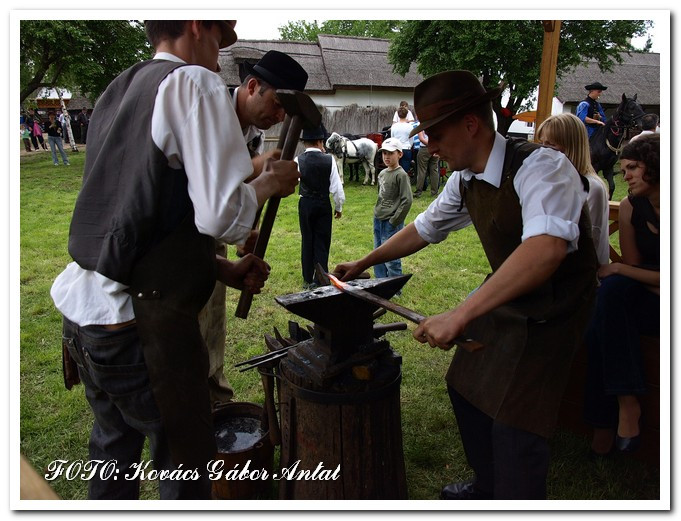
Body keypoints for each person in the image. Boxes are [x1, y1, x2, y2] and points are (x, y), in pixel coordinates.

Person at [50, 20, 300, 500]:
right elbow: (222, 217)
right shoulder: (194, 81)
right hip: (138, 328)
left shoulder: (121, 86)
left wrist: (222, 268)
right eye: (220, 37)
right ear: (195, 24)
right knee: (185, 471)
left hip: (85, 320)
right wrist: (268, 182)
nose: (219, 55)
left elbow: (144, 211)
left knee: (112, 457)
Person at [335, 71, 598, 500]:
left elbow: (547, 249)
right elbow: (424, 227)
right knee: (465, 384)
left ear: (471, 124)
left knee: (517, 420)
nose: (429, 145)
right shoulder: (465, 177)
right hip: (509, 294)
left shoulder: (543, 167)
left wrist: (460, 314)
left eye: (435, 134)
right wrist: (364, 262)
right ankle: (487, 485)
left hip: (558, 307)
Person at [201, 49, 309, 409]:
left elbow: (249, 192)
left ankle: (215, 397)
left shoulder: (254, 134)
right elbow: (211, 182)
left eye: (286, 113)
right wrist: (261, 167)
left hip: (214, 245)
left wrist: (251, 229)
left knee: (212, 329)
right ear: (251, 86)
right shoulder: (211, 114)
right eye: (277, 105)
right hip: (184, 242)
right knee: (193, 330)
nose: (278, 116)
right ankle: (205, 404)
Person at [584, 134, 660, 457]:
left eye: (633, 168)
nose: (625, 175)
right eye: (623, 168)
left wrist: (618, 270)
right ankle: (626, 404)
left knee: (611, 298)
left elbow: (625, 270)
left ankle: (603, 424)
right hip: (648, 293)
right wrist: (630, 274)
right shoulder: (630, 207)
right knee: (604, 310)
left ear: (656, 168)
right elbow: (632, 264)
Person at [536, 113, 609, 265]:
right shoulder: (550, 183)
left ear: (572, 147)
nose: (542, 151)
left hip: (581, 278)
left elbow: (586, 245)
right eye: (541, 144)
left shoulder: (591, 187)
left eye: (550, 145)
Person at [294, 123, 345, 289]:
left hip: (306, 203)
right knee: (322, 241)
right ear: (319, 141)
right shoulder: (329, 160)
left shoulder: (298, 160)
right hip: (323, 203)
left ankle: (307, 276)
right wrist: (338, 207)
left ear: (305, 143)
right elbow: (337, 188)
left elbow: (296, 180)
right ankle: (320, 278)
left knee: (307, 239)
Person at [371, 137, 412, 279]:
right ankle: (380, 281)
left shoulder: (401, 175)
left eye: (390, 153)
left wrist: (394, 220)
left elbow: (407, 200)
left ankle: (394, 286)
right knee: (377, 252)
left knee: (391, 255)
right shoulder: (382, 173)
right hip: (378, 219)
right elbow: (380, 195)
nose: (386, 157)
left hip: (391, 221)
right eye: (384, 153)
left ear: (400, 154)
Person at [414, 128, 439, 198]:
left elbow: (421, 138)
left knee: (421, 171)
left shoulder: (422, 125)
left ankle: (418, 192)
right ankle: (435, 192)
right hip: (435, 148)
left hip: (424, 149)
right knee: (434, 170)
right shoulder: (435, 124)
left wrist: (430, 145)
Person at [391, 107, 414, 174]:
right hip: (406, 148)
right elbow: (411, 139)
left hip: (396, 149)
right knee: (405, 170)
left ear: (398, 115)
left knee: (395, 168)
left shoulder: (394, 126)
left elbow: (392, 138)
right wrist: (409, 145)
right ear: (407, 115)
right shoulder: (410, 126)